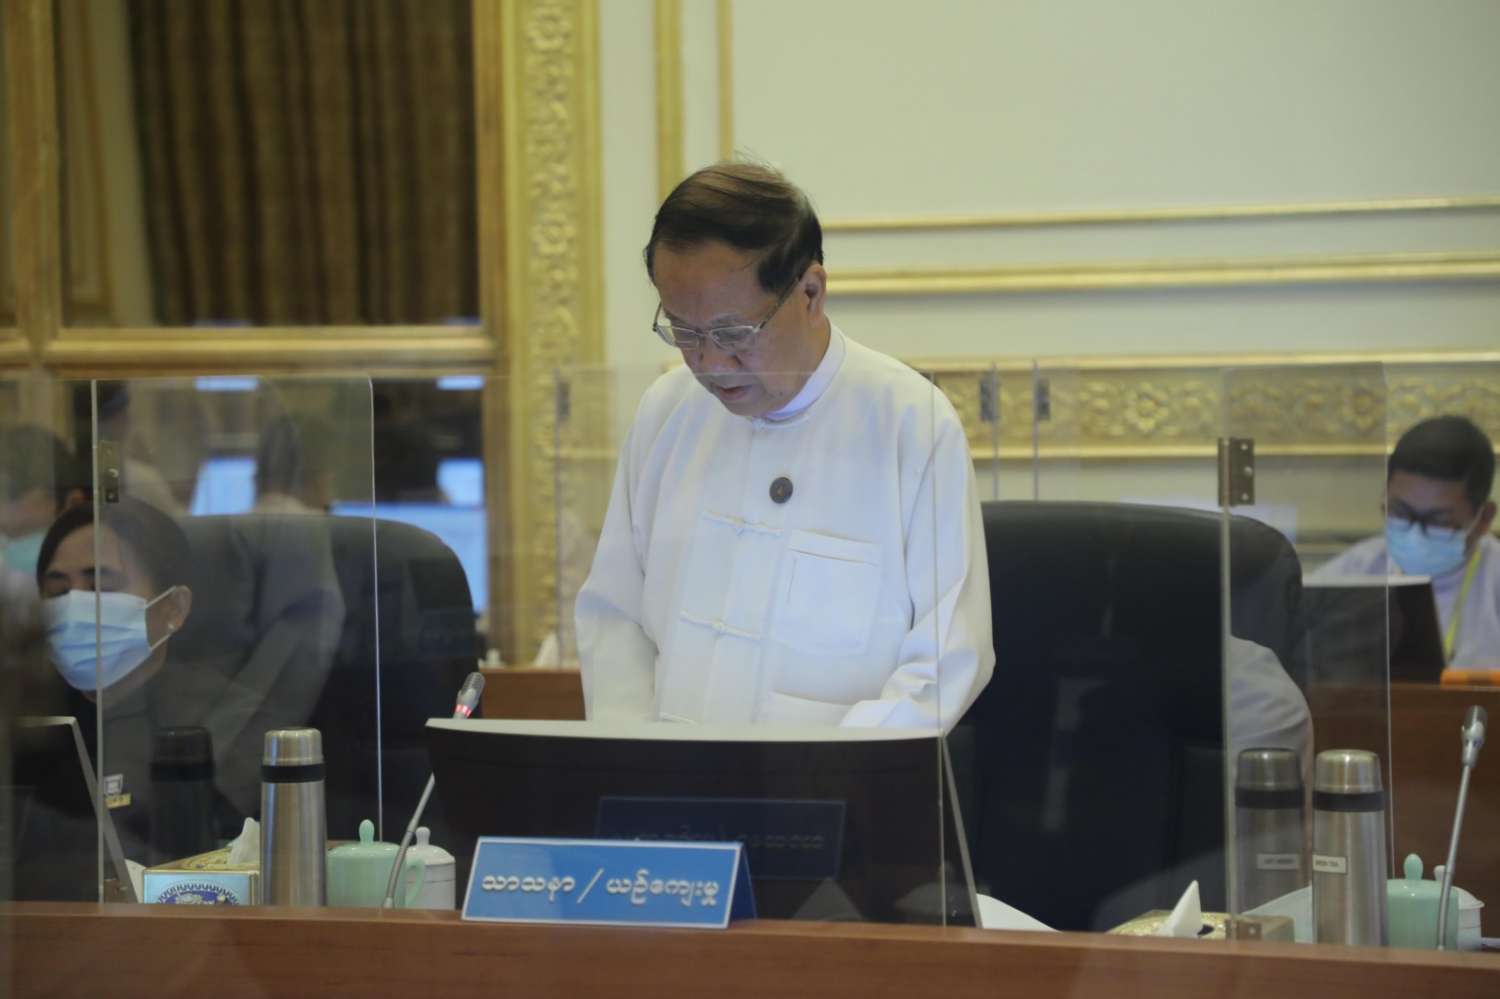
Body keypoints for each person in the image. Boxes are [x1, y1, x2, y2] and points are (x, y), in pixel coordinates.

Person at [575, 162, 994, 730]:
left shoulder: (911, 423)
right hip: (670, 772)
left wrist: (830, 770)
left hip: (842, 777)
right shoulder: (666, 412)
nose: (709, 362)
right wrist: (636, 755)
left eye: (733, 333)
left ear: (810, 292)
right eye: (684, 331)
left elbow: (947, 658)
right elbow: (615, 619)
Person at [1313, 415, 1499, 669]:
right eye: (1400, 512)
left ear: (1484, 517)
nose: (1414, 534)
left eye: (1438, 521)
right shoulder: (1355, 571)